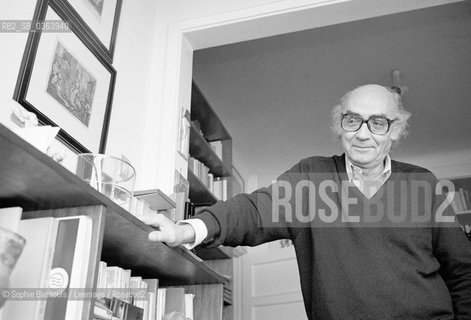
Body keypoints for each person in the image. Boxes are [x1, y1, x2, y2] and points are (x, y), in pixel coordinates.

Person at [142, 84, 471, 319]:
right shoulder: (312, 178)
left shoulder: (424, 183)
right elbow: (254, 210)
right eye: (352, 120)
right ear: (339, 126)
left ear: (394, 131)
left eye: (378, 122)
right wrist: (187, 230)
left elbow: (462, 270)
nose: (363, 133)